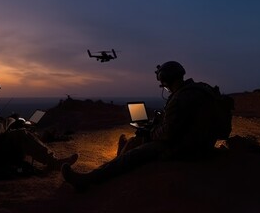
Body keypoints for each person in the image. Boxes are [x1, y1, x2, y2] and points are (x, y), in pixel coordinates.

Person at [61, 61, 219, 190]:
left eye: (164, 84)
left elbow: (168, 133)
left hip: (186, 149)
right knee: (141, 139)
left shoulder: (179, 99)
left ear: (167, 80)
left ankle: (89, 179)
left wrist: (151, 133)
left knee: (134, 154)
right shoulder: (200, 89)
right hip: (203, 143)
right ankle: (124, 149)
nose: (166, 88)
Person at [0, 79, 78, 171]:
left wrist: (8, 122)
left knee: (19, 131)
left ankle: (38, 150)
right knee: (22, 134)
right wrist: (11, 120)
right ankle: (54, 162)